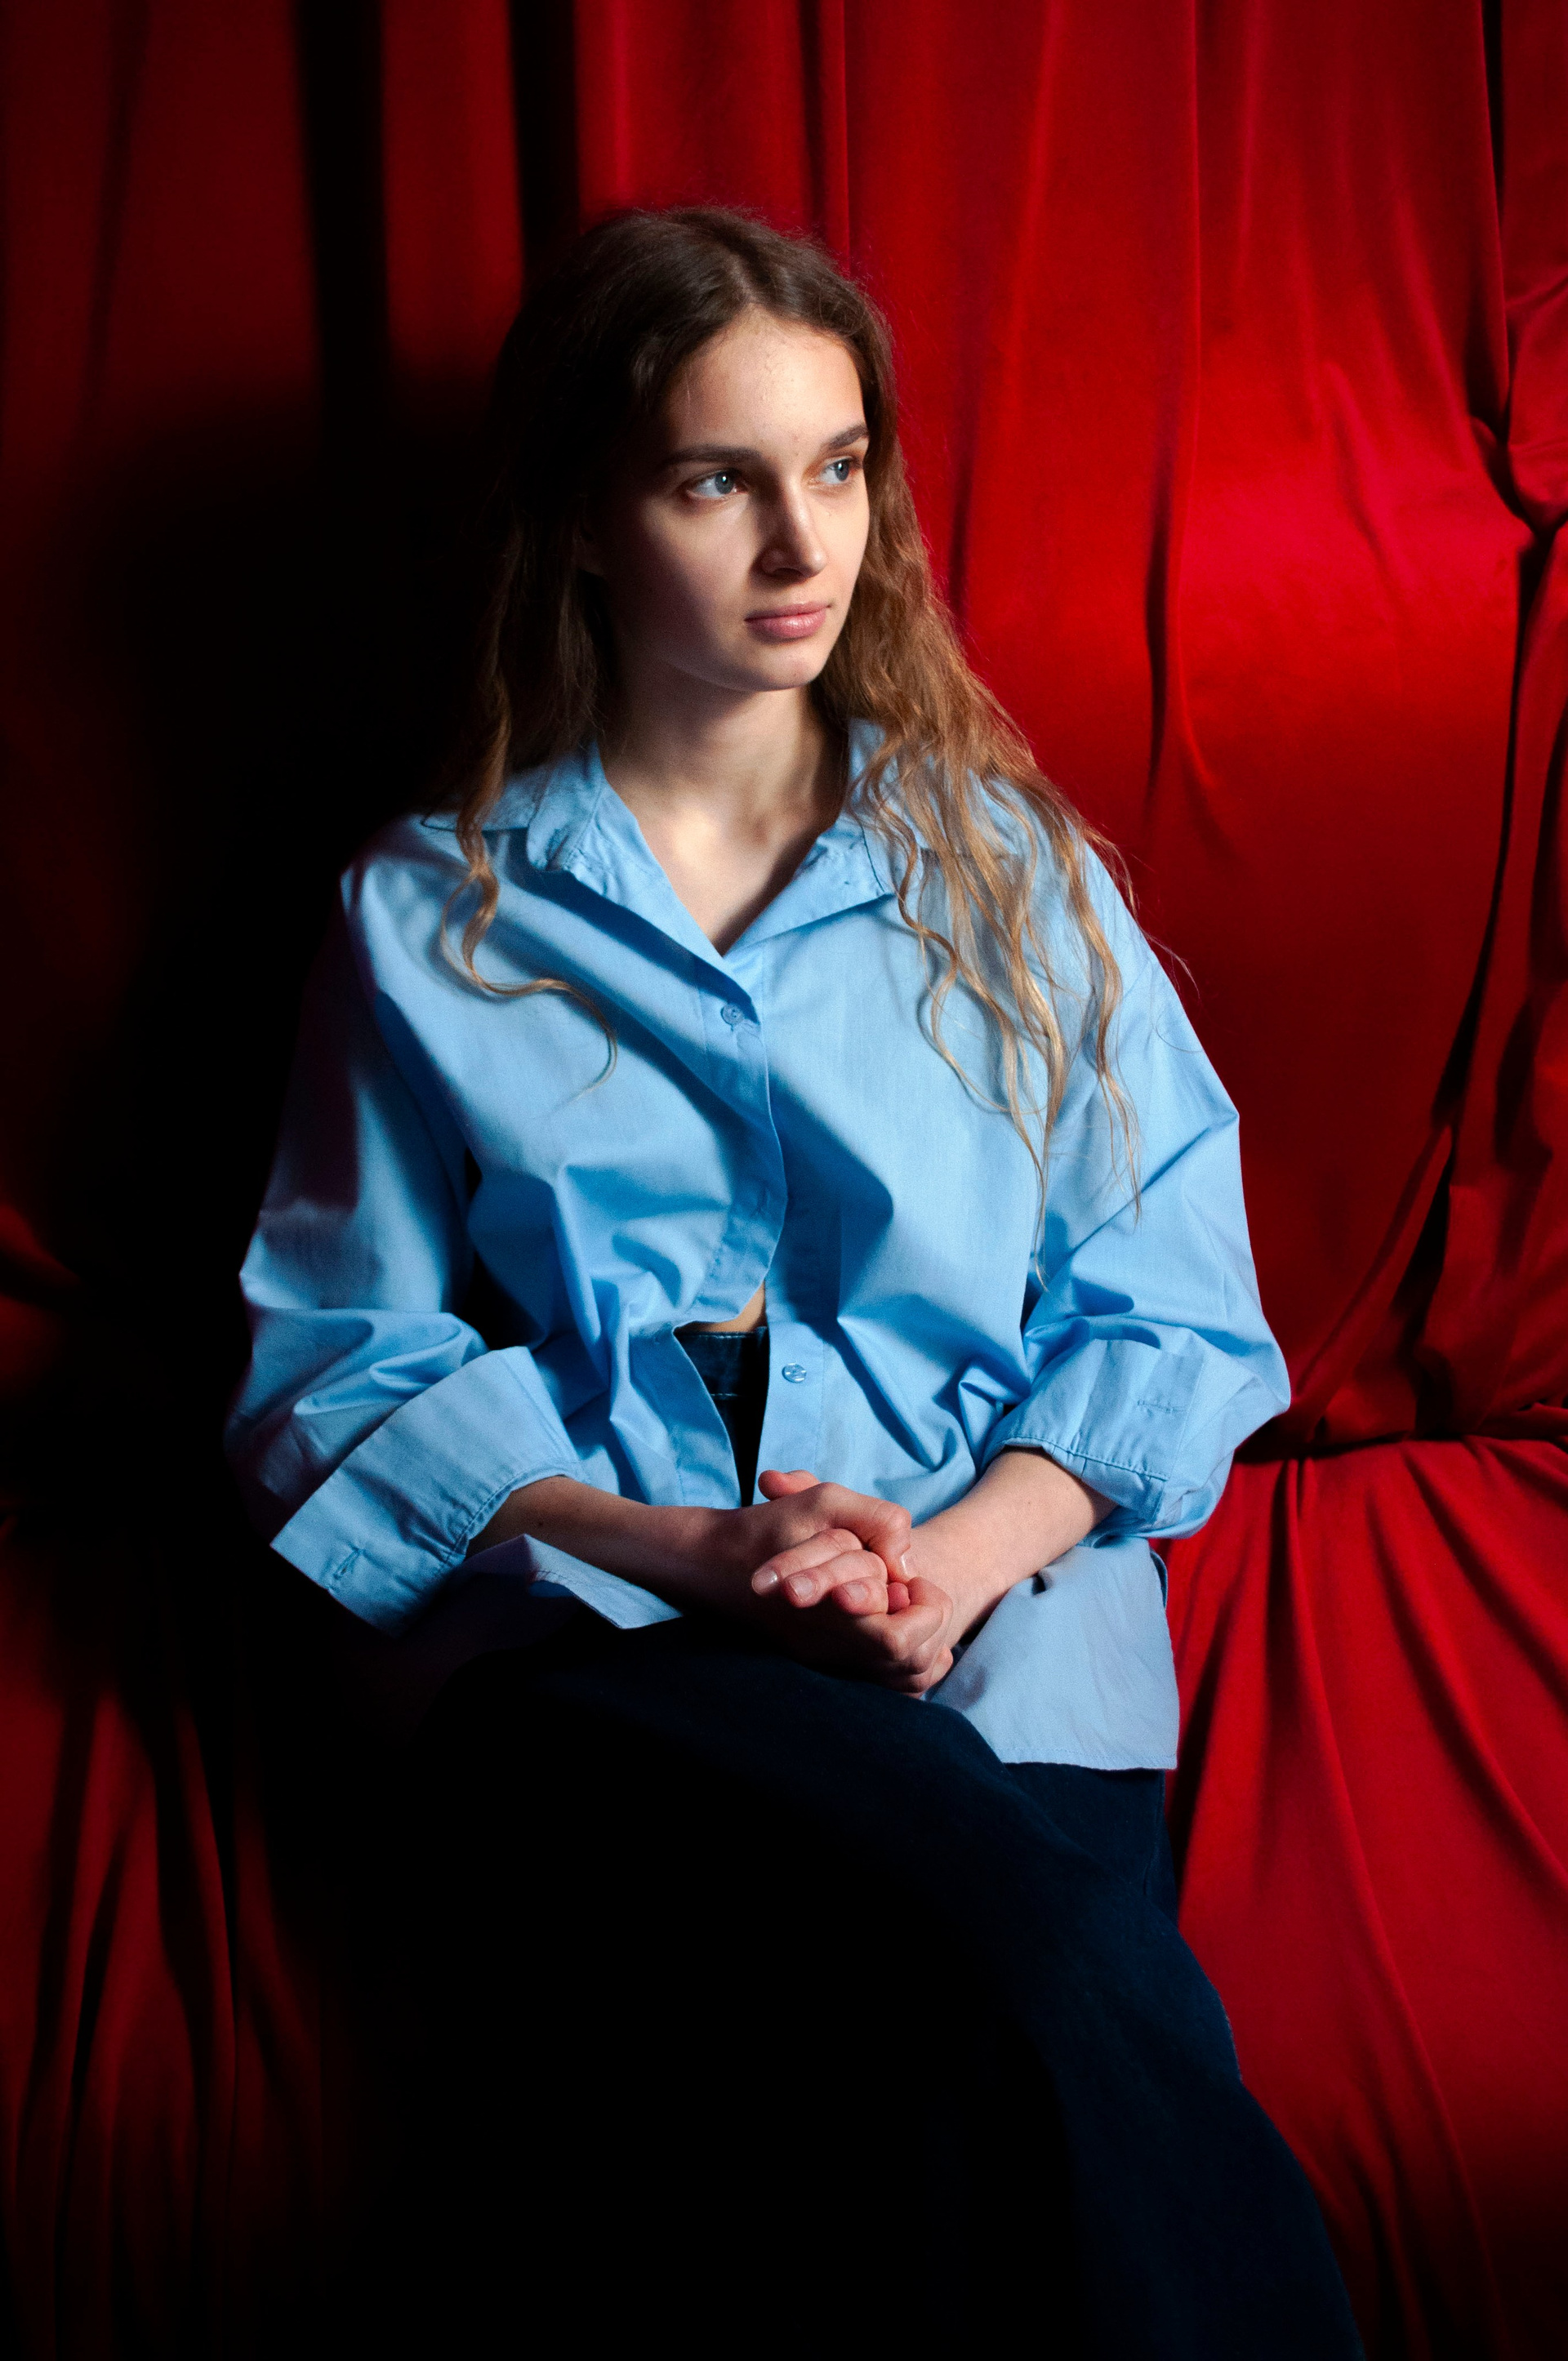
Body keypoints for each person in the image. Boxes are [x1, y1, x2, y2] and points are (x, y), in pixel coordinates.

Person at [226, 208, 1361, 2354]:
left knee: (913, 2125)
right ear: (585, 516)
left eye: (839, 467)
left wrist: (953, 1565)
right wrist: (690, 1555)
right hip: (603, 1659)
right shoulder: (424, 915)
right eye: (714, 478)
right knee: (1034, 1978)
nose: (799, 541)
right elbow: (332, 1366)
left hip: (1006, 1645)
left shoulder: (1009, 874)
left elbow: (1180, 1300)